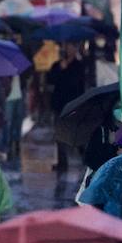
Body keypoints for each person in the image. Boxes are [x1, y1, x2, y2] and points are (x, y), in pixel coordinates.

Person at [49, 44, 89, 172]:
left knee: (76, 133)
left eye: (72, 47)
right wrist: (60, 68)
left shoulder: (79, 66)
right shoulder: (58, 65)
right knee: (60, 134)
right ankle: (62, 163)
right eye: (68, 47)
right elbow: (50, 79)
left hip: (74, 105)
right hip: (59, 105)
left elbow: (80, 85)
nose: (69, 50)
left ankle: (85, 158)